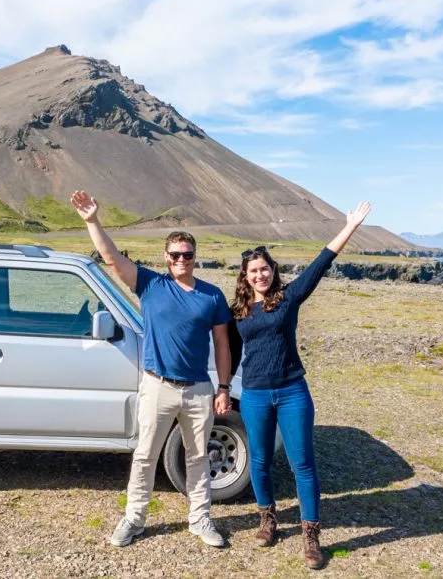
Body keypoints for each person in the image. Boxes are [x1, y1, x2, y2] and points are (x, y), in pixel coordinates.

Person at [70, 190, 233, 548]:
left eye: (187, 255)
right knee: (145, 455)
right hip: (157, 384)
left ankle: (200, 519)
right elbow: (112, 258)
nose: (181, 260)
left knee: (198, 456)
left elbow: (222, 343)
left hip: (197, 389)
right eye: (175, 255)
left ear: (195, 258)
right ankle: (133, 519)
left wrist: (223, 387)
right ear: (166, 257)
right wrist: (92, 221)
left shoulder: (212, 296)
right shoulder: (151, 284)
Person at [231, 201, 372, 569]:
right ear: (244, 276)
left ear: (272, 271)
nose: (259, 275)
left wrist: (350, 226)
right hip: (255, 394)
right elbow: (228, 355)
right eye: (253, 271)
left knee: (302, 464)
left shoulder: (288, 298)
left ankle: (311, 535)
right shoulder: (239, 312)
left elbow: (321, 263)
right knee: (259, 462)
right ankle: (268, 520)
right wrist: (219, 390)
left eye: (264, 269)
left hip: (293, 391)